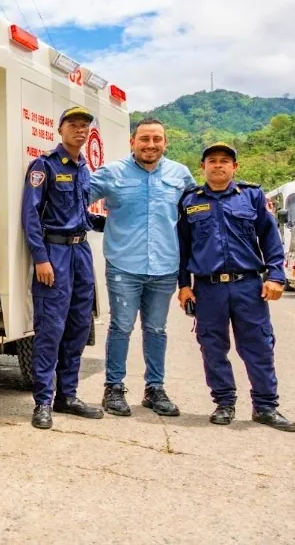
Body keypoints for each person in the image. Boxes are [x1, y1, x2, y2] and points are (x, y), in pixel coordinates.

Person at [176, 143, 295, 432]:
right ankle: (224, 403)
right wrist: (183, 285)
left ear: (235, 167)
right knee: (213, 347)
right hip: (208, 288)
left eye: (225, 161)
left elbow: (270, 240)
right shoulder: (190, 201)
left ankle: (266, 406)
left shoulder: (251, 196)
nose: (218, 165)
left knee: (259, 347)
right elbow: (182, 248)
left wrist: (276, 277)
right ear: (202, 166)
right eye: (212, 161)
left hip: (248, 287)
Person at [88, 117, 195, 417]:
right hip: (124, 265)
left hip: (165, 266)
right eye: (144, 139)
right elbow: (76, 200)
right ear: (132, 141)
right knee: (121, 327)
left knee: (156, 329)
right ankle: (114, 388)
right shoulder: (112, 173)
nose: (151, 145)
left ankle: (155, 389)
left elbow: (195, 216)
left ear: (165, 142)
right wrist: (97, 224)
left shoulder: (181, 175)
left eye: (157, 139)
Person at [21, 106, 106, 429]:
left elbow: (81, 214)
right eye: (74, 124)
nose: (80, 130)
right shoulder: (45, 166)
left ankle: (67, 397)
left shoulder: (85, 169)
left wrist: (112, 223)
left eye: (85, 126)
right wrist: (40, 258)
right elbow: (30, 215)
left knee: (78, 327)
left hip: (80, 252)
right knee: (51, 330)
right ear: (60, 130)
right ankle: (43, 401)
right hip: (54, 254)